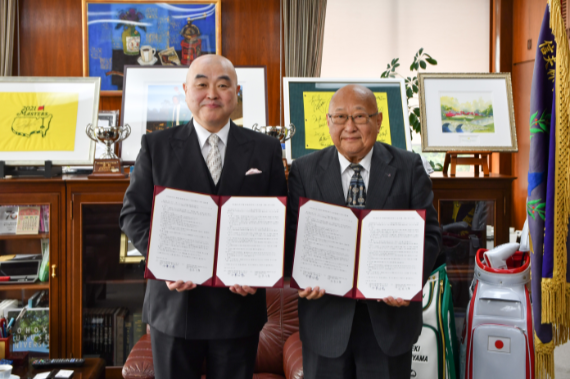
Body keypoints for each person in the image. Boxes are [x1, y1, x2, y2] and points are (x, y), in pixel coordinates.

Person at [120, 54, 287, 379]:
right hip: (175, 304)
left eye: (223, 85)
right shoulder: (156, 146)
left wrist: (259, 271)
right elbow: (132, 214)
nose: (212, 93)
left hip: (238, 307)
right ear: (185, 91)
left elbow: (279, 221)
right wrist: (165, 261)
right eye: (202, 84)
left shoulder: (265, 149)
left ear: (236, 93)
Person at [286, 84, 441, 379]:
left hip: (389, 323)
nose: (349, 127)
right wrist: (299, 276)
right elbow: (292, 234)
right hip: (325, 320)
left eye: (359, 117)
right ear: (329, 122)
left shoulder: (408, 168)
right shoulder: (304, 170)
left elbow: (430, 234)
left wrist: (408, 283)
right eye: (340, 117)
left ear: (378, 120)